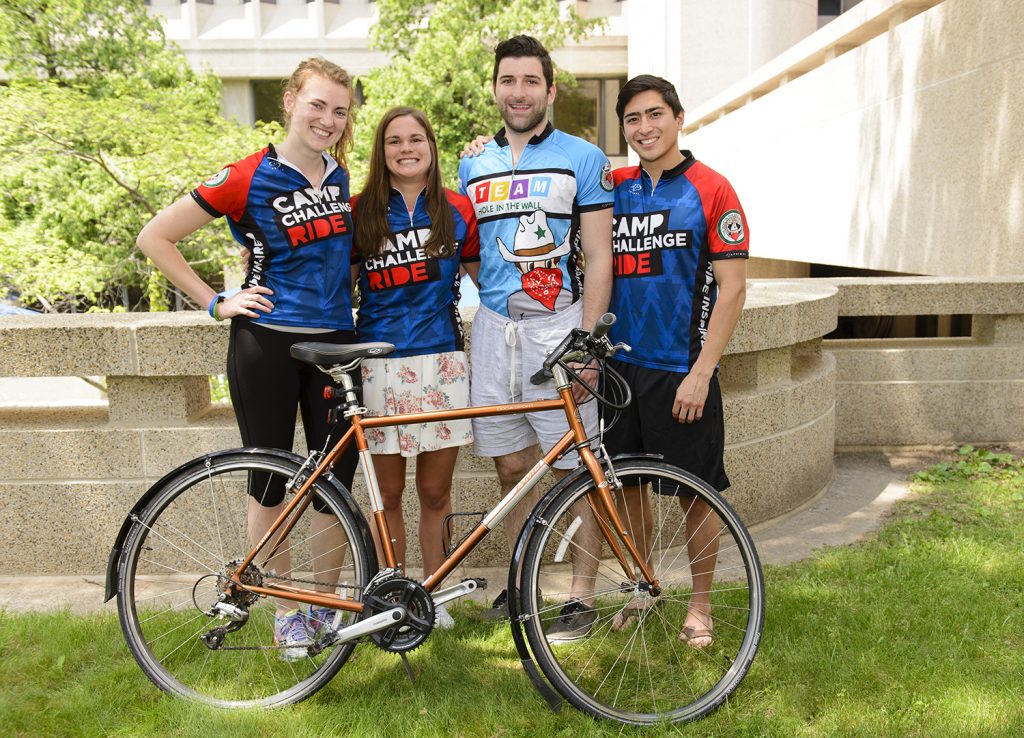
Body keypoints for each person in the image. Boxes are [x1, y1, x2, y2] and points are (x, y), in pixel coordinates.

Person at [136, 57, 359, 659]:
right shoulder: (245, 175)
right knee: (270, 482)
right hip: (266, 345)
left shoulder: (341, 179)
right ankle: (288, 614)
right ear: (289, 101)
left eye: (340, 110)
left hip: (337, 346)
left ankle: (325, 609)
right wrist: (216, 302)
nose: (328, 119)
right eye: (317, 105)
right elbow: (155, 236)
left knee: (335, 483)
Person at [457, 35, 614, 637]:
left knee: (578, 468)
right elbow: (473, 255)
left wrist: (587, 341)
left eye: (530, 82)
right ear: (495, 89)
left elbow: (600, 257)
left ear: (550, 90)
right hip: (496, 330)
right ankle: (525, 586)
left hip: (560, 327)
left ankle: (580, 595)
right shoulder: (473, 163)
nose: (518, 92)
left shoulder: (583, 157)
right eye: (507, 81)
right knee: (512, 467)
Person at [605, 74, 749, 649]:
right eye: (633, 119)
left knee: (695, 491)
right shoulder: (613, 186)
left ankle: (702, 604)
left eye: (655, 115)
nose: (645, 128)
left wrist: (702, 371)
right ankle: (643, 588)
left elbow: (734, 289)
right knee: (630, 487)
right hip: (619, 369)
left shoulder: (713, 189)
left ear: (679, 117)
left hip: (682, 367)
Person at [352, 106, 480, 629]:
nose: (406, 149)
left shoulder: (457, 208)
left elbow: (490, 282)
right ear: (381, 153)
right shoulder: (359, 211)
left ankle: (433, 593)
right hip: (379, 367)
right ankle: (394, 594)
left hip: (442, 363)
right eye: (394, 141)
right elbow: (337, 285)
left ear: (431, 145)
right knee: (388, 493)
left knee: (435, 492)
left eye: (416, 139)